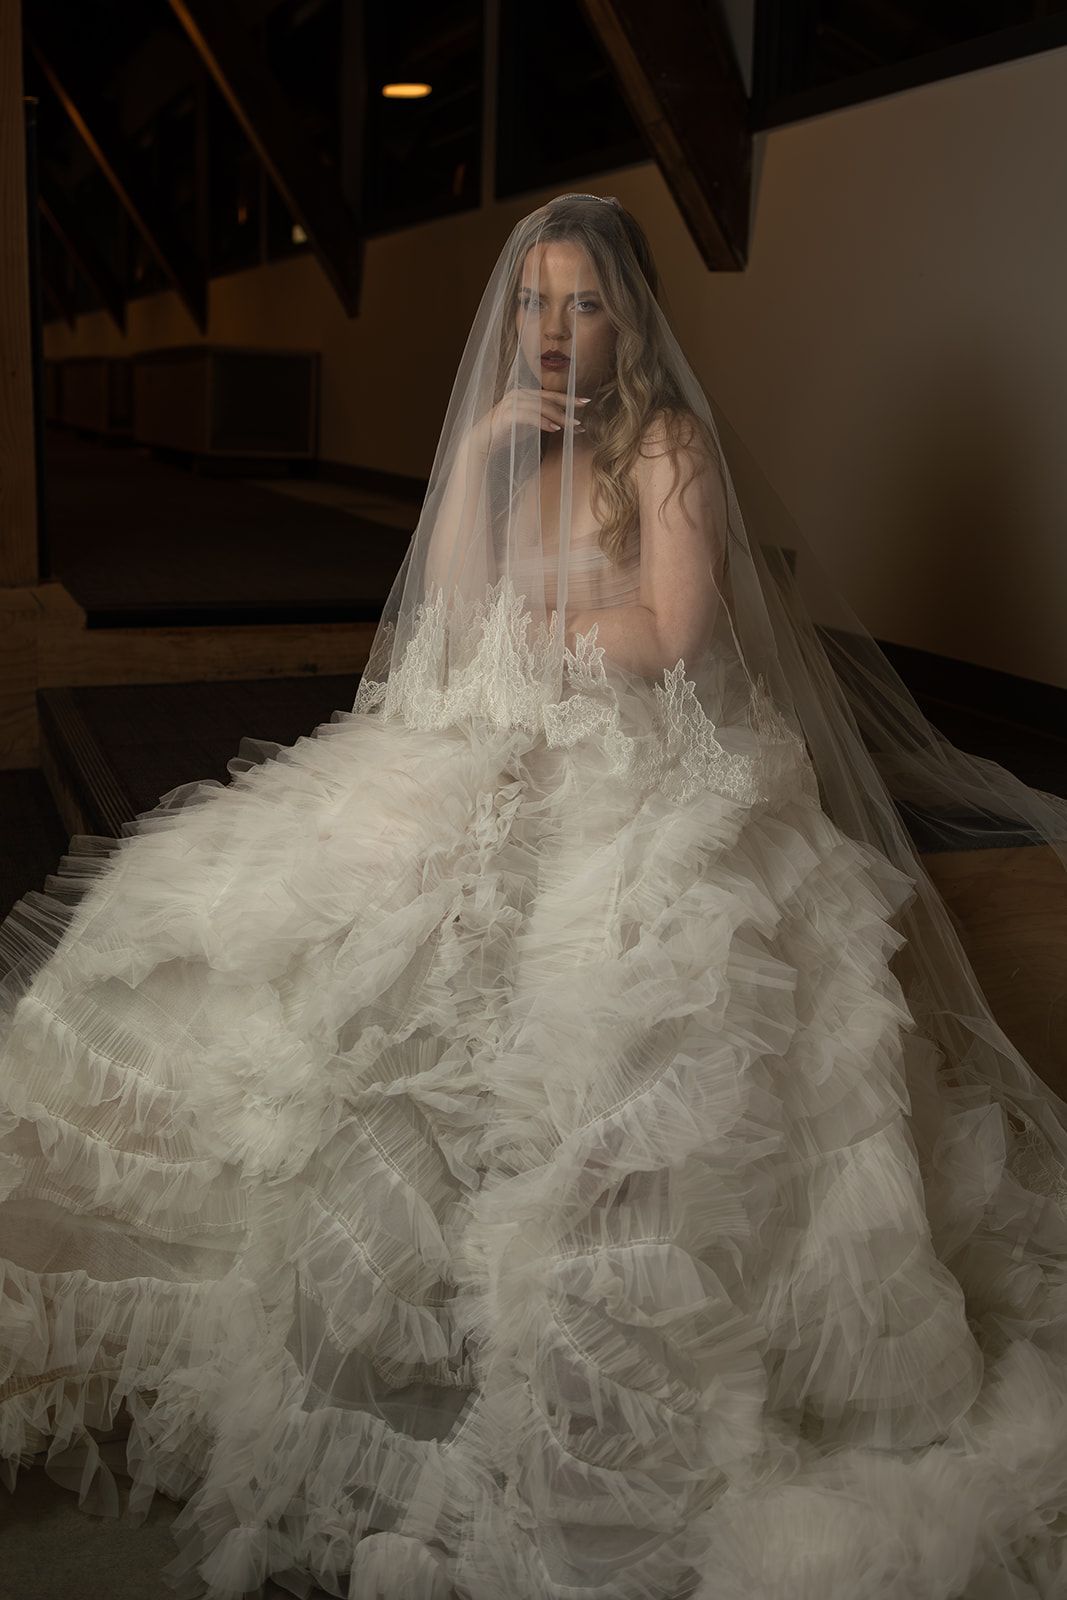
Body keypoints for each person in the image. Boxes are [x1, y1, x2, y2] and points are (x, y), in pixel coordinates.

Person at [2, 192, 1066, 1600]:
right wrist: (483, 459)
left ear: (632, 322)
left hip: (638, 765)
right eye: (534, 303)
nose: (554, 331)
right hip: (508, 737)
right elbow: (446, 617)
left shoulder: (668, 445)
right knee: (281, 912)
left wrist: (530, 633)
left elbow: (669, 633)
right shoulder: (516, 444)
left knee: (584, 1010)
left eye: (584, 304)